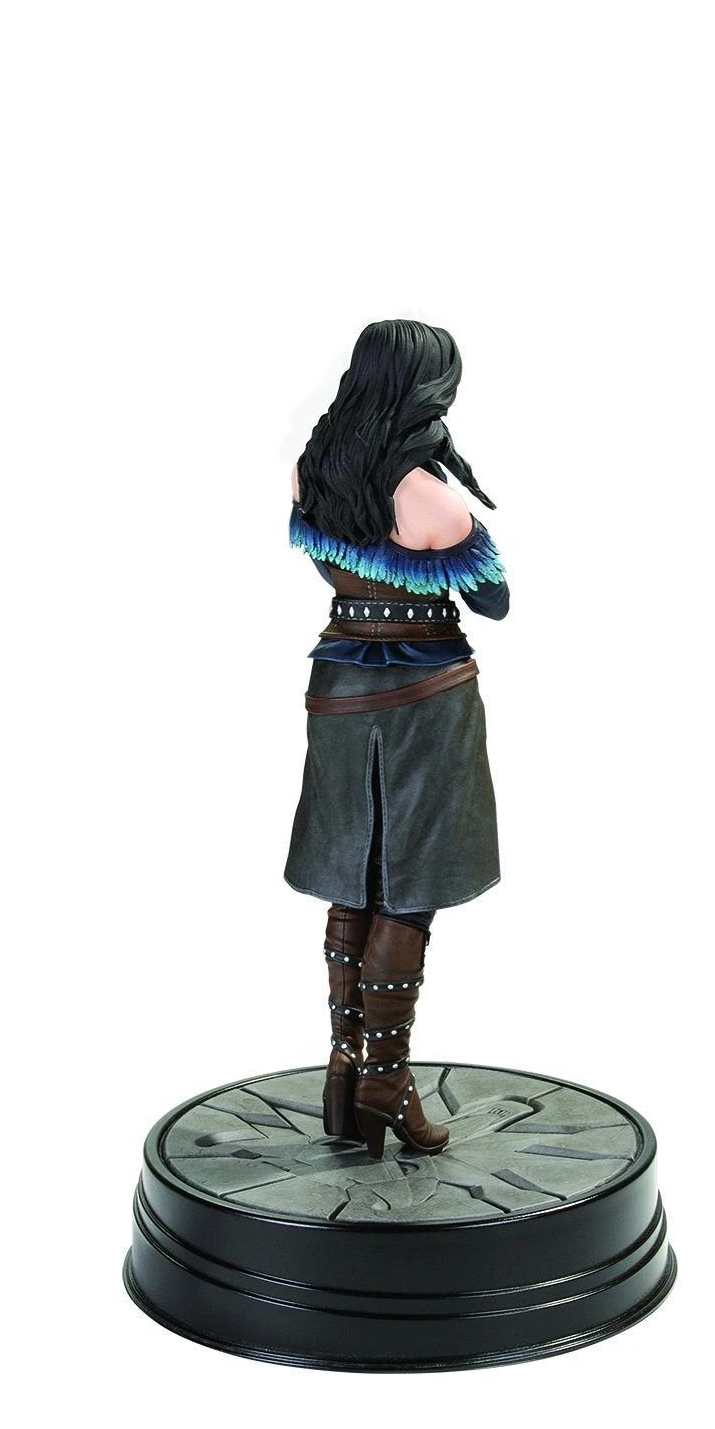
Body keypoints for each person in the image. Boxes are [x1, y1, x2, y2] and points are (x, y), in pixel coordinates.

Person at [284, 320, 510, 1160]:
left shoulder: (312, 471)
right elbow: (495, 600)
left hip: (338, 690)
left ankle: (348, 1069)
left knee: (355, 872)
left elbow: (331, 560)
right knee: (408, 879)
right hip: (425, 700)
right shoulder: (431, 501)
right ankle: (384, 1078)